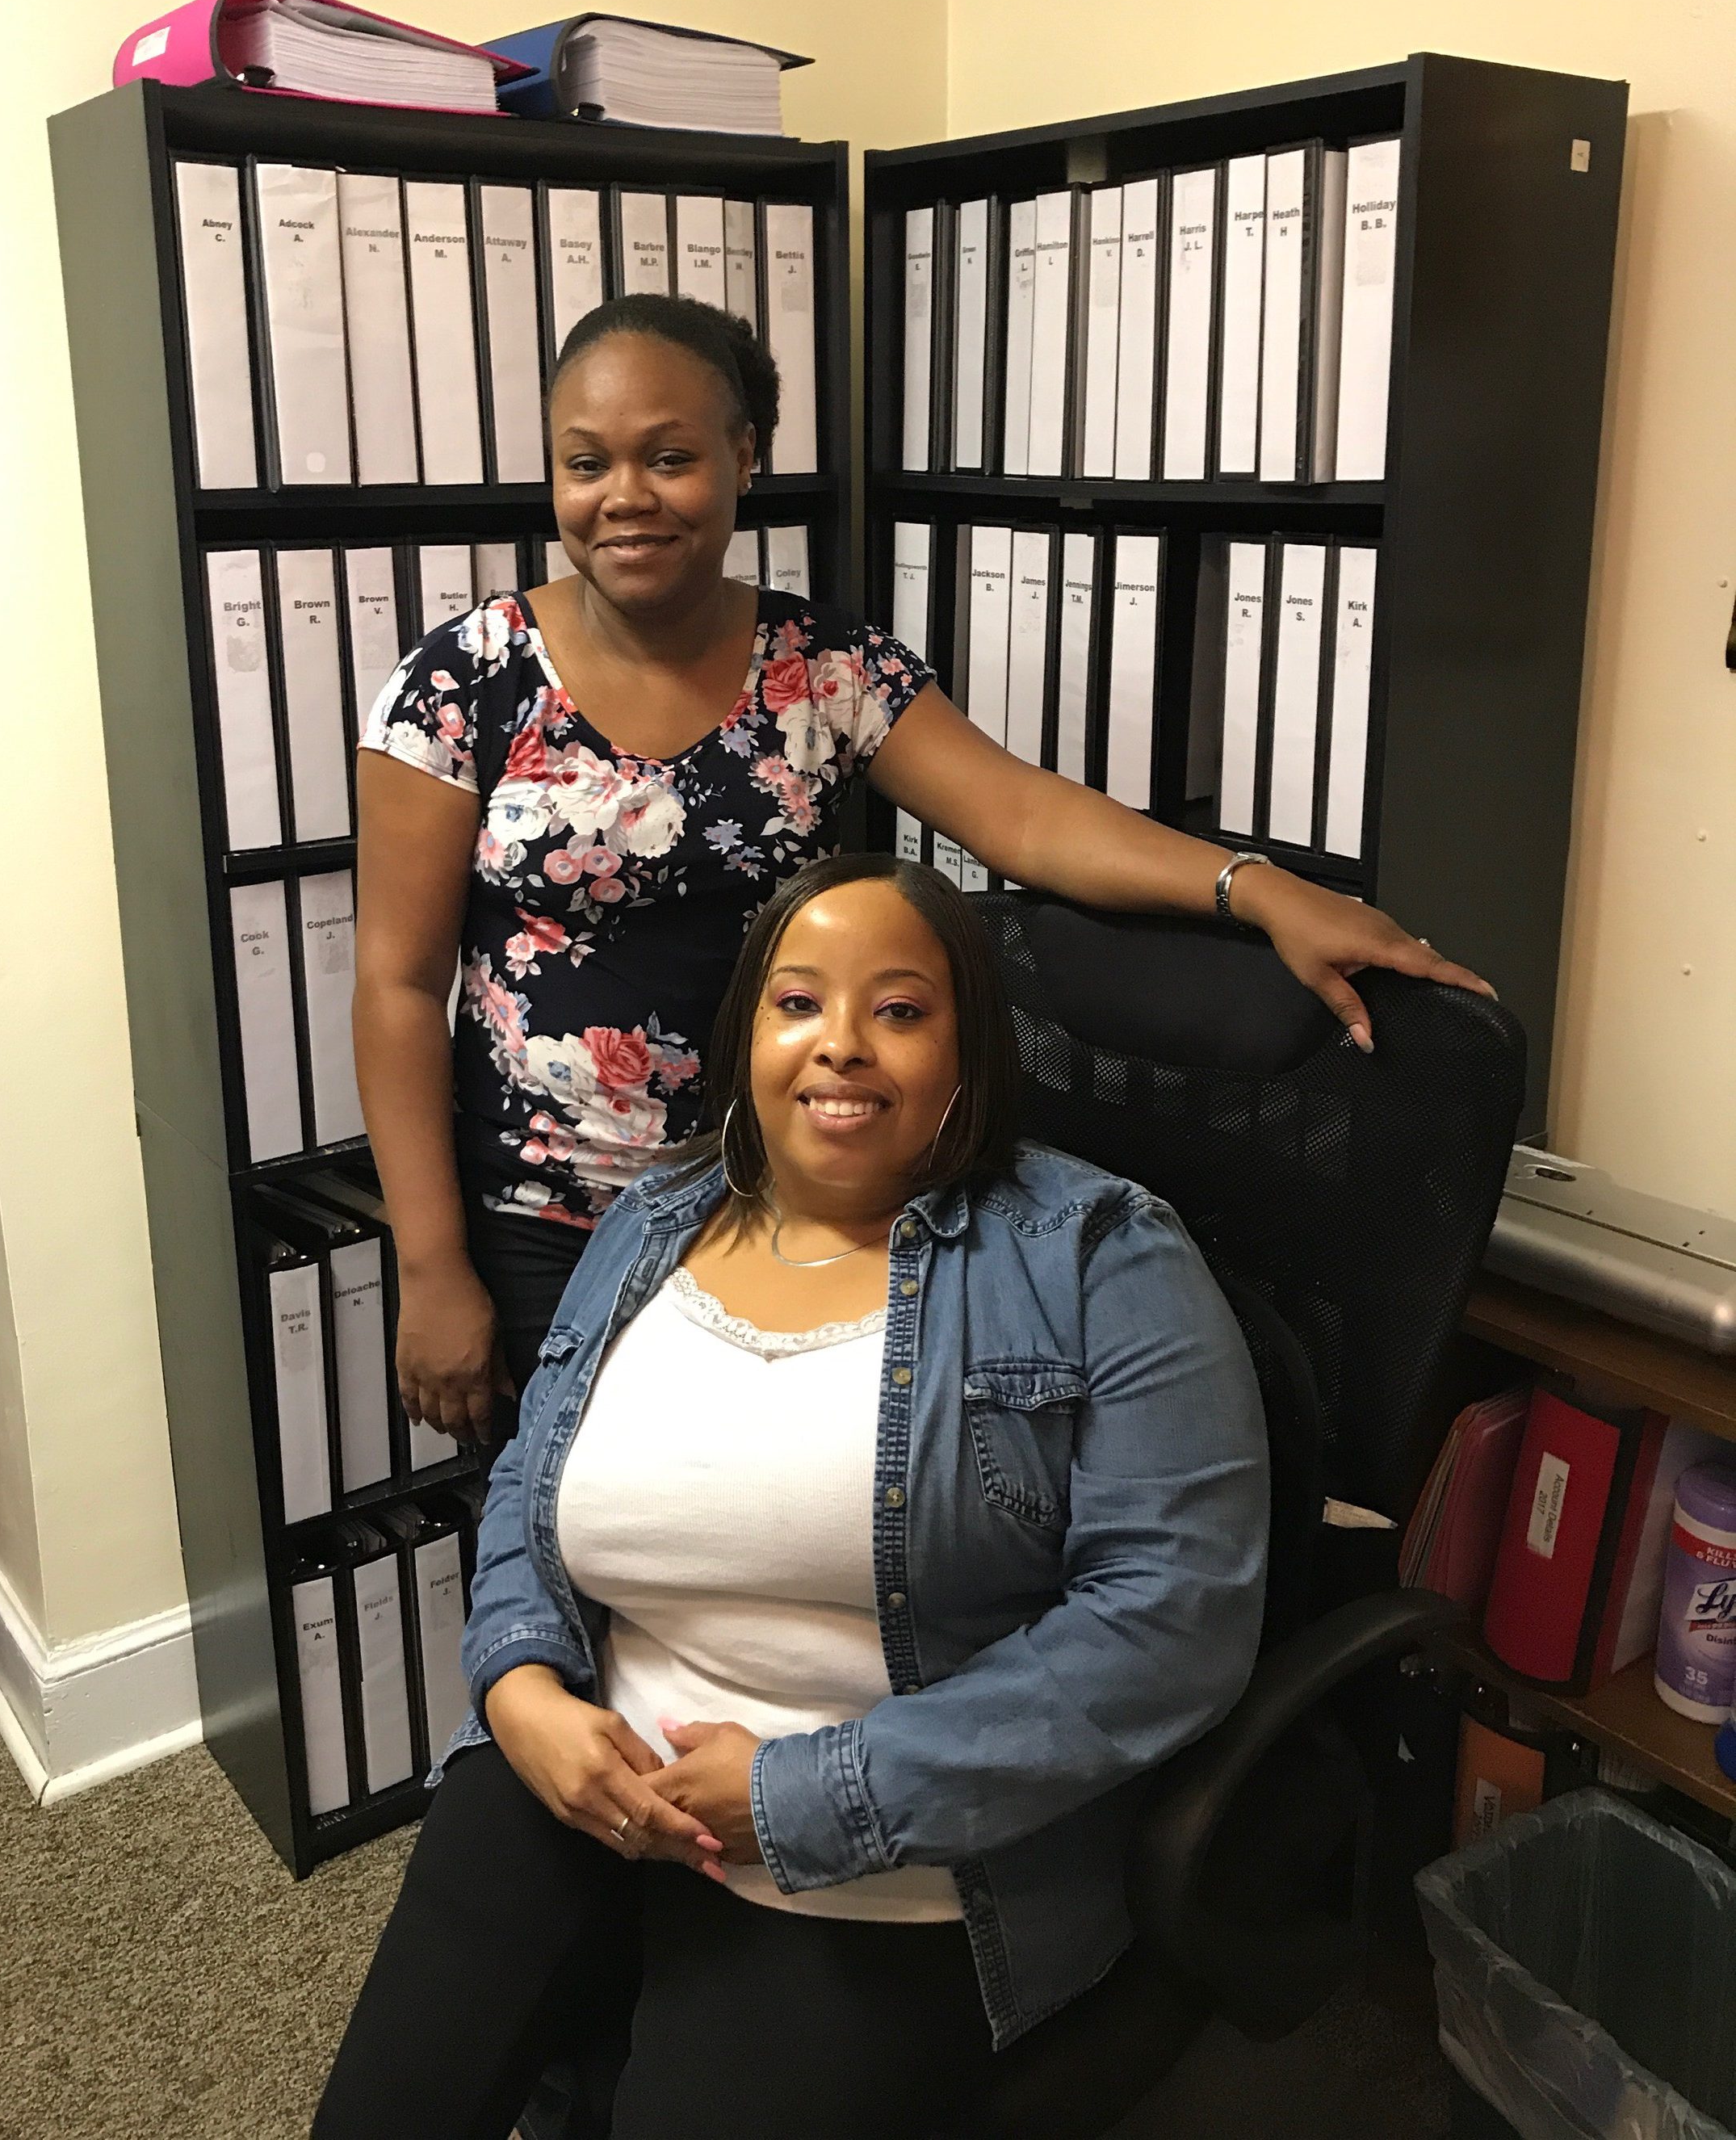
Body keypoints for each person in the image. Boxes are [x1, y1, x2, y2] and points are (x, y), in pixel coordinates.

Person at [353, 292, 1490, 1450]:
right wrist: (433, 1265)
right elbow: (399, 983)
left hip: (793, 1208)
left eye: (671, 457)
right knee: (567, 1534)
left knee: (793, 1525)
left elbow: (1022, 814)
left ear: (746, 456)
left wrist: (1260, 889)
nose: (625, 496)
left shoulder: (824, 668)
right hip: (543, 1226)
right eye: (586, 462)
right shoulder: (464, 682)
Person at [315, 854, 1269, 2139]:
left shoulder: (1100, 1252)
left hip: (888, 1851)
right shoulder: (655, 1218)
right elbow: (534, 1487)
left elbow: (1169, 1626)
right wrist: (518, 1689)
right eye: (798, 1002)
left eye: (899, 1010)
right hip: (580, 1774)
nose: (840, 1044)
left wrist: (801, 1794)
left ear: (969, 1054)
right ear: (748, 1038)